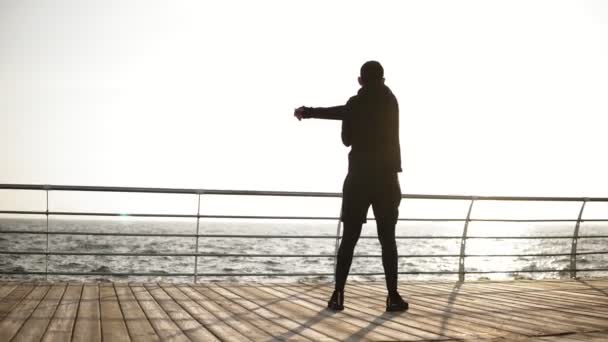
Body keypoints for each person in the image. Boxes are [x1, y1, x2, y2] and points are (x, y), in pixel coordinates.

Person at [294, 61, 408, 312]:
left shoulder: (355, 104)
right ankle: (392, 297)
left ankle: (338, 295)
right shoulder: (391, 102)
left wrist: (310, 112)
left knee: (349, 239)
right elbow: (345, 111)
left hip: (359, 178)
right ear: (383, 79)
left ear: (360, 80)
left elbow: (346, 137)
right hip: (386, 178)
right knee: (387, 239)